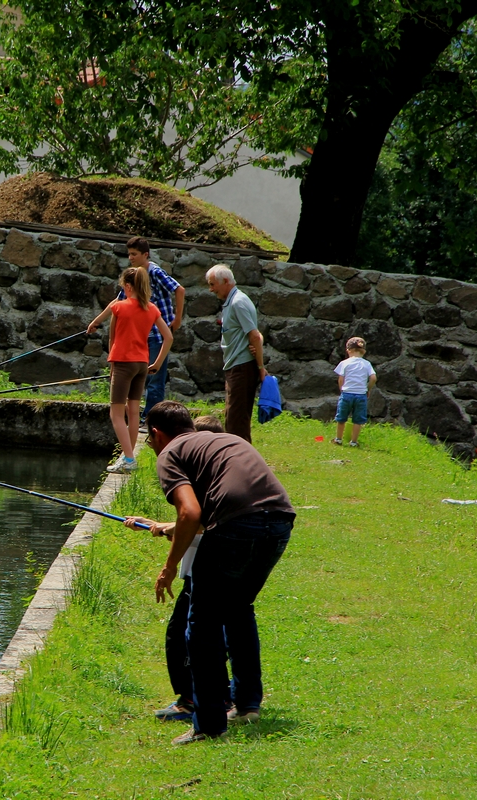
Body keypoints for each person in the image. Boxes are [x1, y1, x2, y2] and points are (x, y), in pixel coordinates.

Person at [125, 401, 294, 744]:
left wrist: (169, 568)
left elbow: (190, 511)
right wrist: (167, 527)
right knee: (237, 609)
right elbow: (207, 512)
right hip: (279, 521)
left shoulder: (170, 453)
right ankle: (247, 704)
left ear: (156, 434)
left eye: (148, 438)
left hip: (237, 527)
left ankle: (208, 724)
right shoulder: (227, 441)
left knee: (201, 626)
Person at [153, 414, 224, 724]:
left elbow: (194, 522)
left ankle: (190, 700)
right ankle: (221, 695)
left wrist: (168, 564)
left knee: (182, 635)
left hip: (202, 573)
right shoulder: (218, 477)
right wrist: (162, 527)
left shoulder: (196, 479)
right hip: (219, 567)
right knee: (218, 633)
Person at [89, 267, 172, 473]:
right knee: (133, 411)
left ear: (127, 286)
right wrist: (158, 363)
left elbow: (113, 338)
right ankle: (128, 457)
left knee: (116, 413)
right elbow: (168, 337)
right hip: (142, 364)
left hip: (123, 364)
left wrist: (111, 361)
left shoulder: (119, 307)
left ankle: (128, 459)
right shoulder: (151, 308)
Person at [116, 237, 184, 423]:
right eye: (129, 254)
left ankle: (150, 419)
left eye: (134, 254)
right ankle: (138, 417)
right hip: (141, 334)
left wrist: (177, 318)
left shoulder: (155, 272)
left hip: (158, 334)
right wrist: (98, 321)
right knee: (139, 377)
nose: (130, 257)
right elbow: (120, 301)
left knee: (155, 379)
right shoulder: (134, 275)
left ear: (145, 255)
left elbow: (179, 290)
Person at [205, 265, 266, 443]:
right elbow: (256, 335)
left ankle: (241, 464)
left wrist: (261, 367)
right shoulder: (232, 301)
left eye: (212, 284)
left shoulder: (238, 302)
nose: (210, 289)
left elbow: (254, 335)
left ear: (225, 281)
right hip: (236, 367)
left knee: (236, 423)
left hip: (242, 367)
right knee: (233, 418)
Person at [333, 336, 377, 447]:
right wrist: (367, 389)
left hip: (347, 393)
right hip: (361, 395)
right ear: (364, 351)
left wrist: (342, 389)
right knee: (358, 420)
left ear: (348, 350)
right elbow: (373, 378)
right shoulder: (367, 364)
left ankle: (338, 439)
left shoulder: (345, 363)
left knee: (341, 417)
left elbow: (341, 379)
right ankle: (353, 442)